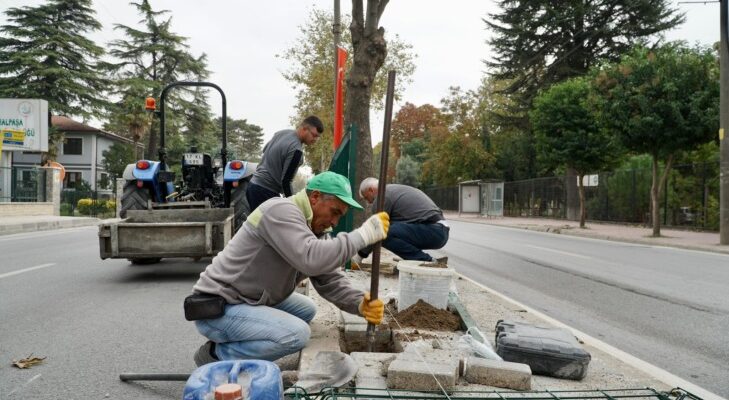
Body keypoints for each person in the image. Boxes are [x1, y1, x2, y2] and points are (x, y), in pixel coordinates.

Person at [191, 171, 389, 366]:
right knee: (297, 334)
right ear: (315, 197)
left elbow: (328, 279)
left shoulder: (313, 227)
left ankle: (244, 336)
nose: (335, 222)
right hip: (219, 307)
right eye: (335, 212)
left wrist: (358, 304)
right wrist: (362, 236)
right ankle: (217, 355)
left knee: (306, 310)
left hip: (246, 298)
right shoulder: (281, 211)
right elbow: (310, 258)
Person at [355, 177, 449, 263]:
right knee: (392, 229)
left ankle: (427, 261)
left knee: (385, 234)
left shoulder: (382, 196)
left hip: (434, 230)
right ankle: (413, 257)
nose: (369, 202)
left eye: (367, 198)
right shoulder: (393, 190)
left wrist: (359, 256)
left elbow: (376, 230)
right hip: (439, 230)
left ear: (371, 190)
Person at [246, 115, 324, 212]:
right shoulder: (296, 150)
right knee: (271, 226)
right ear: (304, 129)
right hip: (266, 191)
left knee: (258, 225)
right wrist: (292, 204)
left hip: (253, 185)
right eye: (314, 135)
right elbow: (286, 181)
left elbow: (265, 150)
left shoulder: (281, 133)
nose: (315, 139)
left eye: (318, 137)